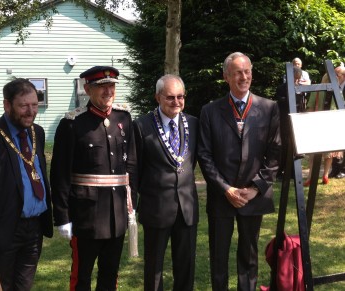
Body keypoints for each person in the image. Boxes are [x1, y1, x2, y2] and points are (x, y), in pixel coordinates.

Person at [198, 52, 281, 291]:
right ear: (226, 76)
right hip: (222, 196)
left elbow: (276, 153)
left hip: (252, 196)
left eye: (247, 71)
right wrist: (226, 189)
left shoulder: (268, 108)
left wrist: (256, 188)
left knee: (249, 254)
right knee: (218, 255)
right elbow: (204, 155)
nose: (244, 77)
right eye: (237, 72)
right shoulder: (210, 111)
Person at [51, 65, 137, 290]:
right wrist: (62, 216)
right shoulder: (72, 124)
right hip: (85, 216)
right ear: (87, 89)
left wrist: (131, 205)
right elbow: (60, 174)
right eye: (101, 87)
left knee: (110, 274)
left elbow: (132, 165)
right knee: (82, 277)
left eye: (111, 86)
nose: (108, 91)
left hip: (116, 214)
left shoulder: (124, 118)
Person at [0, 78, 53, 290]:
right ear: (7, 105)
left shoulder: (37, 133)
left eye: (34, 105)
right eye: (23, 106)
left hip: (34, 229)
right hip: (2, 231)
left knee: (24, 286)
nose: (31, 111)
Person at [133, 74, 199, 291]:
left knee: (186, 267)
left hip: (187, 208)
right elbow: (136, 169)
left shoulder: (193, 123)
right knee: (154, 269)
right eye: (170, 97)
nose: (177, 102)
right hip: (156, 208)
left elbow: (194, 161)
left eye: (181, 97)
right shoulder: (141, 126)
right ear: (157, 97)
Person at [303, 70, 343, 186]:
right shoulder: (337, 92)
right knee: (328, 154)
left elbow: (310, 107)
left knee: (313, 153)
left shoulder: (316, 91)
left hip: (316, 123)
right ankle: (325, 175)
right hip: (330, 124)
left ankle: (311, 176)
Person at [273, 67, 305, 180]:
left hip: (296, 121)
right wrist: (290, 99)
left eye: (298, 79)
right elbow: (279, 102)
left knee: (294, 146)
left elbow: (301, 104)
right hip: (284, 121)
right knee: (284, 145)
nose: (296, 81)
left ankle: (292, 171)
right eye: (295, 79)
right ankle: (280, 171)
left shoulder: (299, 88)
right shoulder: (281, 88)